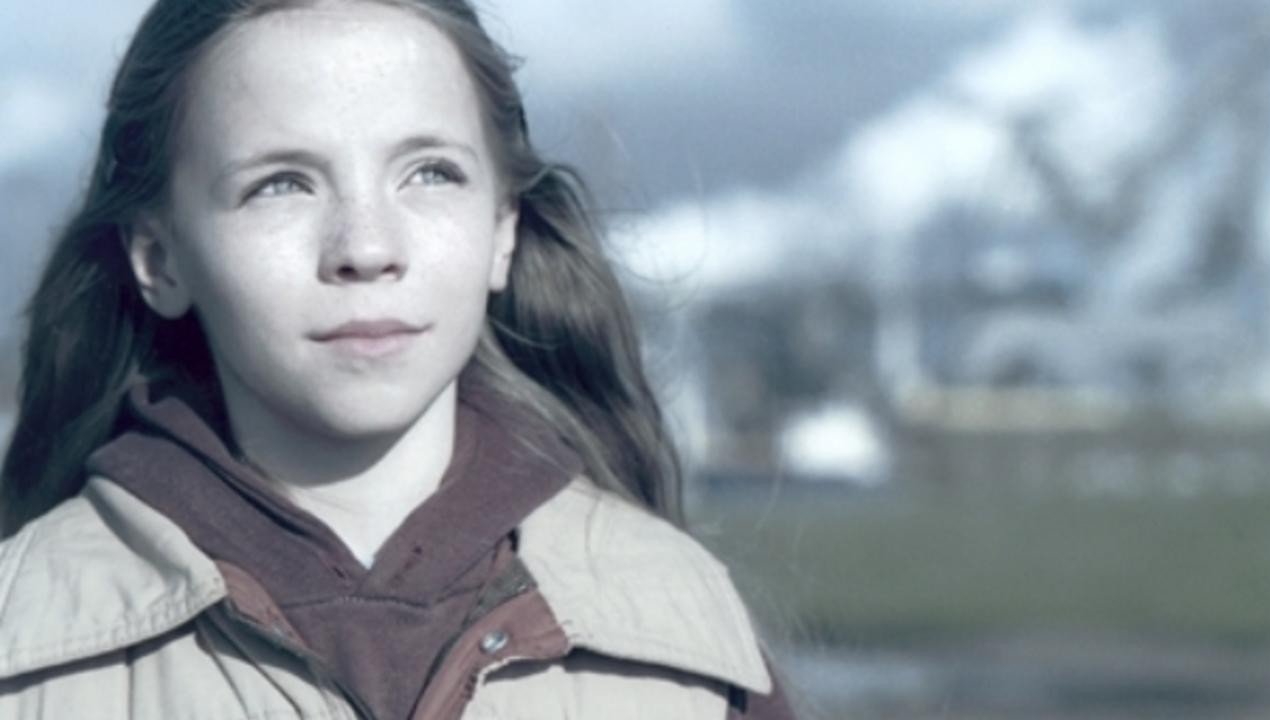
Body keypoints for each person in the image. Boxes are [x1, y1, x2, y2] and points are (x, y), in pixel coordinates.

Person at [0, 1, 795, 718]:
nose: (367, 247)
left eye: (429, 173)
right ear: (159, 257)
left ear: (503, 230)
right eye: (281, 185)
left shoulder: (687, 651)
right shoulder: (22, 654)